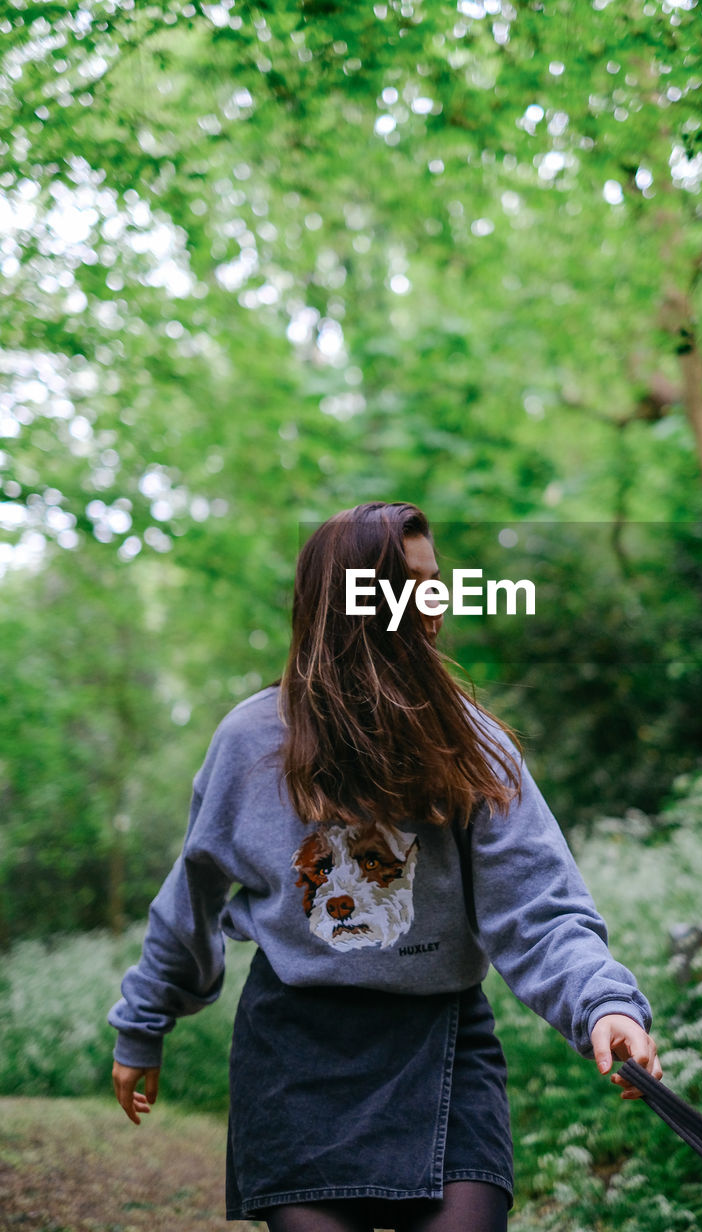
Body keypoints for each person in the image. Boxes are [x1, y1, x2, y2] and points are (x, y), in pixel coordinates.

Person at [109, 500, 662, 1232]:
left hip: (442, 1044)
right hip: (295, 1053)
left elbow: (536, 909)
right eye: (409, 584)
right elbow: (193, 896)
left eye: (436, 582)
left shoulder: (475, 745)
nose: (433, 605)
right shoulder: (249, 743)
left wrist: (605, 1002)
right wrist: (144, 1023)